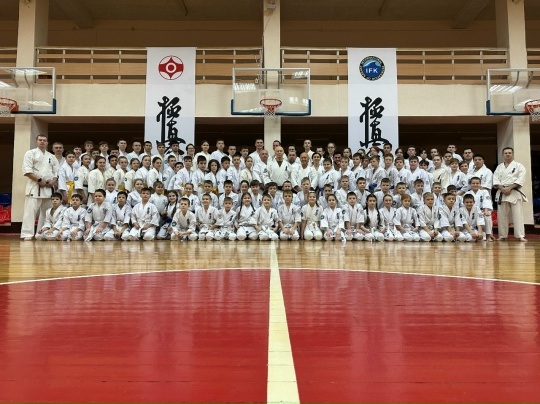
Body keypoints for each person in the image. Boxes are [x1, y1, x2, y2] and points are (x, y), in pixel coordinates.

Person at [21, 134, 59, 240]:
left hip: (48, 187)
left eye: (44, 140)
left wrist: (53, 180)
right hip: (35, 186)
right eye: (40, 140)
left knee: (47, 213)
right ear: (36, 141)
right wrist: (39, 180)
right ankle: (27, 234)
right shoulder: (30, 153)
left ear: (47, 143)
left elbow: (56, 172)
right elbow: (27, 170)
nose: (42, 142)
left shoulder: (51, 156)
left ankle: (41, 233)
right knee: (30, 212)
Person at [493, 147, 528, 242]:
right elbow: (495, 179)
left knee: (518, 215)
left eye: (509, 153)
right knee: (502, 215)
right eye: (506, 153)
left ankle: (520, 235)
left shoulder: (519, 166)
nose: (508, 154)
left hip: (514, 192)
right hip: (502, 192)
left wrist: (510, 188)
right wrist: (502, 188)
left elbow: (521, 179)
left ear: (512, 154)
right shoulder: (499, 167)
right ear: (502, 155)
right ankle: (502, 235)